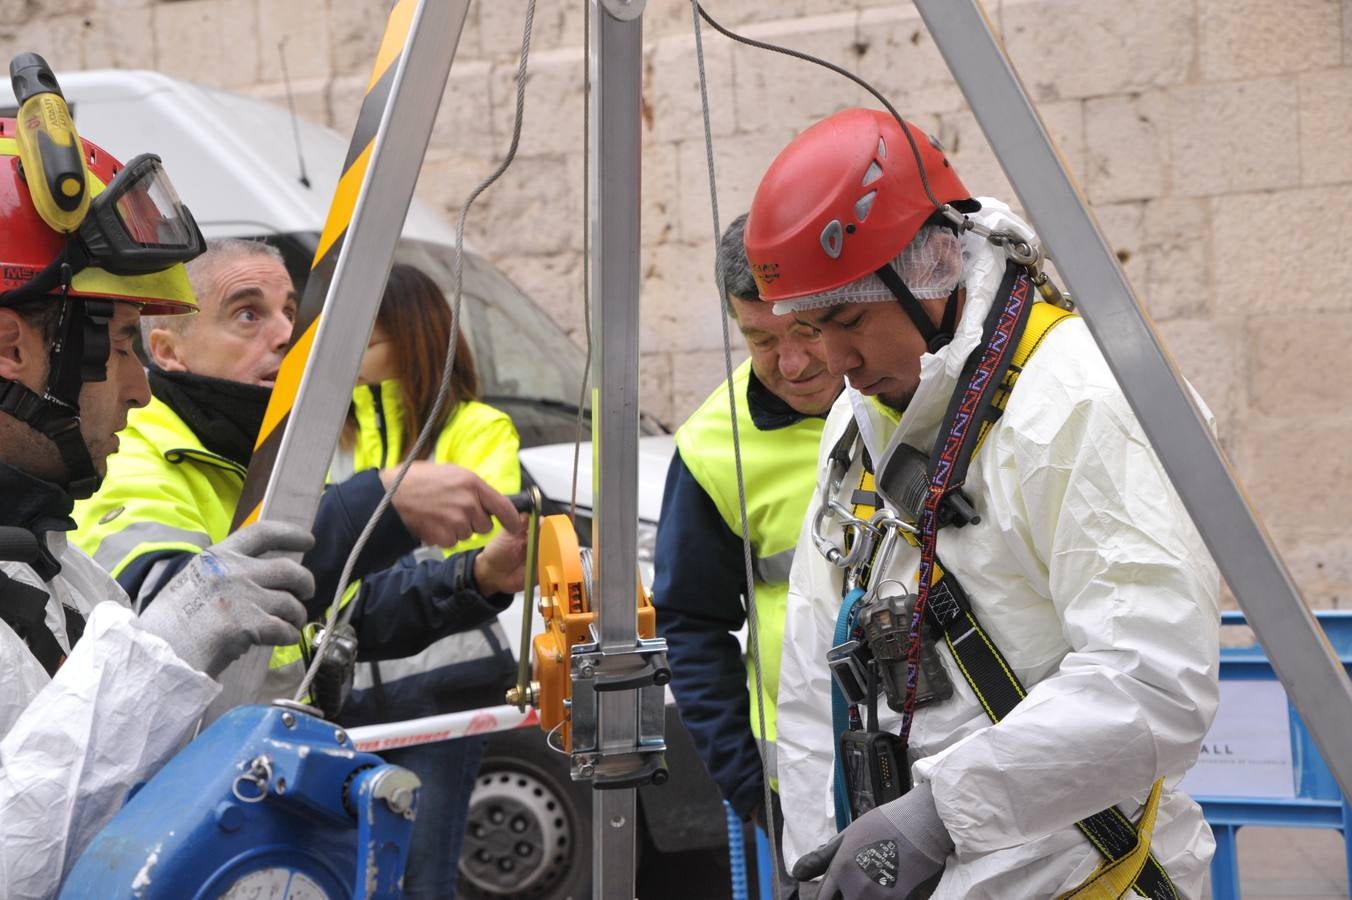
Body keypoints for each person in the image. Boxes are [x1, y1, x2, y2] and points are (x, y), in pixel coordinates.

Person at [747, 108, 1220, 898]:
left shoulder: (1080, 401)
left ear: (931, 267)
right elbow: (808, 675)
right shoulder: (858, 420)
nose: (834, 361)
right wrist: (821, 853)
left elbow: (1153, 680)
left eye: (850, 320)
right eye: (809, 328)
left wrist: (938, 814)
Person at [0, 121, 315, 896]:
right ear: (10, 349)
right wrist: (165, 648)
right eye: (117, 348)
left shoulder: (61, 573)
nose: (141, 389)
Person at [72, 240, 527, 702]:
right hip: (191, 771)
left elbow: (347, 612)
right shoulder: (124, 454)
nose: (288, 333)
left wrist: (479, 575)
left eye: (291, 311)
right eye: (248, 314)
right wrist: (374, 505)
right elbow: (175, 615)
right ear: (168, 351)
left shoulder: (256, 449)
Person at [652, 214, 840, 877]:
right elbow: (690, 623)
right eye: (759, 339)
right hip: (805, 787)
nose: (790, 363)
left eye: (807, 331)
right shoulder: (711, 446)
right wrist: (745, 780)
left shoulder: (919, 397)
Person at [334, 262, 522, 900]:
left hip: (444, 689)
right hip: (346, 698)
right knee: (346, 874)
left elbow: (476, 543)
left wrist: (376, 522)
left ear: (414, 339)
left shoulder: (478, 428)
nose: (350, 353)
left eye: (368, 339)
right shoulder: (332, 439)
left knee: (419, 877)